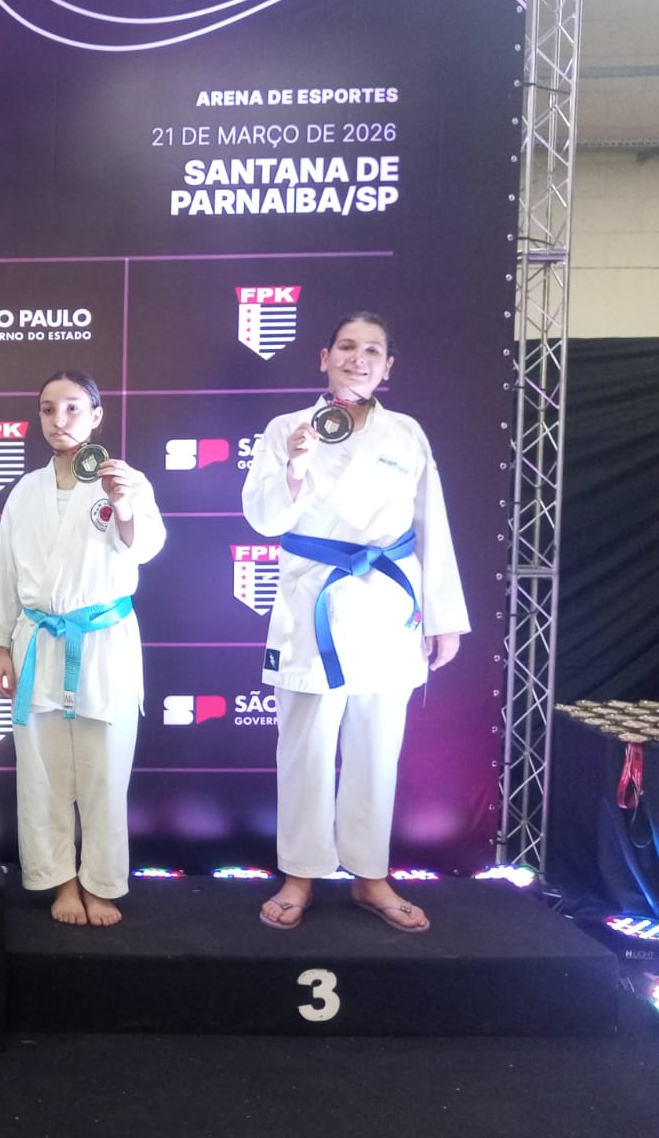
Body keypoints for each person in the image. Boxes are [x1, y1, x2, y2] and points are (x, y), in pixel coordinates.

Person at [240, 312, 468, 932]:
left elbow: (431, 523)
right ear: (324, 357)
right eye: (346, 346)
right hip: (312, 599)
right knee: (305, 747)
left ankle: (370, 876)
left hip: (388, 605)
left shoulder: (407, 434)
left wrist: (442, 616)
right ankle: (299, 873)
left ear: (387, 367)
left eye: (372, 350)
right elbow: (263, 520)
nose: (357, 358)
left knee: (377, 746)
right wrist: (294, 467)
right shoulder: (286, 428)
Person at [0, 371, 165, 925]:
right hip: (38, 639)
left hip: (102, 639)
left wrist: (123, 505)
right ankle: (59, 880)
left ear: (97, 415)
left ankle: (101, 882)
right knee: (42, 771)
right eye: (48, 409)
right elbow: (6, 573)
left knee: (105, 769)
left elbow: (146, 548)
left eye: (73, 408)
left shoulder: (125, 480)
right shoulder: (25, 491)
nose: (59, 420)